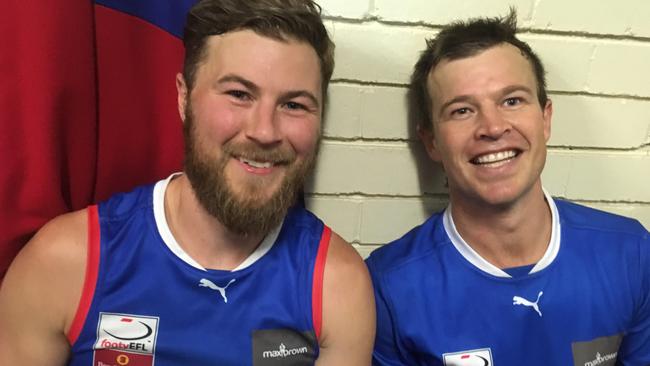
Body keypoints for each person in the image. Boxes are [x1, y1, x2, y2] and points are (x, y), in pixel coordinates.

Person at [0, 0, 375, 364]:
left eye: (293, 105)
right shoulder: (66, 261)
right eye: (238, 94)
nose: (264, 131)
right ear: (184, 97)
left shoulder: (337, 285)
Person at [366, 9, 650, 365]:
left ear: (545, 118)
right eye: (461, 111)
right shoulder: (387, 287)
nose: (493, 127)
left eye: (512, 100)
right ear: (432, 142)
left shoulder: (632, 254)